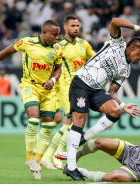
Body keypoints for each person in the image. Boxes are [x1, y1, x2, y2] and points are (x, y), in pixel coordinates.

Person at [64, 17, 140, 181]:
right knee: (79, 120)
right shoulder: (117, 44)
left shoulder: (126, 70)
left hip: (96, 90)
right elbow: (113, 21)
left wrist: (123, 105)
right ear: (132, 47)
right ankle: (71, 167)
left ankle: (84, 138)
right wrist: (137, 28)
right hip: (82, 82)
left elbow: (112, 91)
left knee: (115, 111)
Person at [0, 20, 63, 180]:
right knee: (33, 119)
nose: (57, 37)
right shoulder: (27, 42)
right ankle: (29, 158)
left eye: (58, 34)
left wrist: (53, 80)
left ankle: (36, 163)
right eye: (54, 34)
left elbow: (58, 69)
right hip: (30, 86)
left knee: (47, 126)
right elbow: (6, 52)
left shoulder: (57, 48)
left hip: (48, 91)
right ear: (44, 33)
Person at [41, 15, 95, 170]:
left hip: (81, 87)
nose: (76, 28)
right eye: (73, 26)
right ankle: (55, 154)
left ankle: (49, 156)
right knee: (70, 120)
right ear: (65, 28)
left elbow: (96, 58)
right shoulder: (59, 45)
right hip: (66, 87)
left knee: (69, 122)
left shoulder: (84, 45)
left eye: (77, 25)